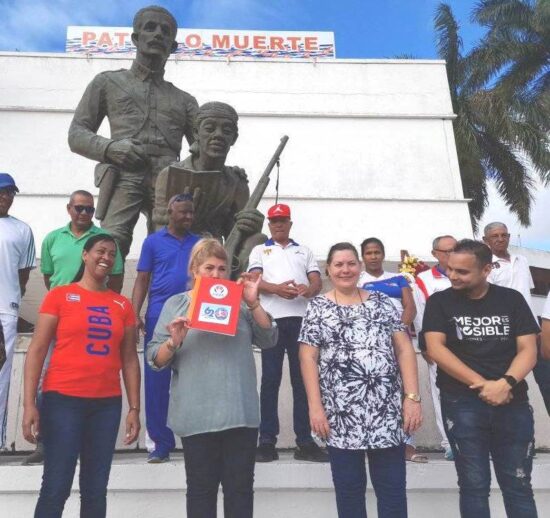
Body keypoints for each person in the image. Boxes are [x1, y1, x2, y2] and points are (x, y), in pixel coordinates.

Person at [147, 238, 277, 518]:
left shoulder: (241, 305)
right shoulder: (176, 304)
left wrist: (254, 303)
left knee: (240, 492)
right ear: (194, 269)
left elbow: (269, 339)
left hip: (240, 413)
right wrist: (173, 342)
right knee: (201, 492)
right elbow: (154, 359)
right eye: (209, 268)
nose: (216, 275)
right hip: (197, 416)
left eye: (221, 268)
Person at [299, 242, 422, 518]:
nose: (346, 269)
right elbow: (307, 358)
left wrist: (412, 397)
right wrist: (315, 407)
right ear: (329, 270)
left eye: (351, 263)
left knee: (392, 492)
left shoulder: (381, 303)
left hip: (386, 413)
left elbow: (404, 349)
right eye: (339, 264)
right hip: (340, 416)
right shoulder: (317, 307)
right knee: (349, 491)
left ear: (360, 266)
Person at [22, 234, 141, 518]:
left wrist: (134, 408)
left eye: (112, 254)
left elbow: (129, 360)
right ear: (85, 255)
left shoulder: (122, 305)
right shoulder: (59, 296)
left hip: (106, 406)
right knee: (56, 486)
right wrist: (29, 404)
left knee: (95, 489)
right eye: (100, 251)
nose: (107, 258)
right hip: (63, 401)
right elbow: (37, 351)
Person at [68, 5, 199, 259]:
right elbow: (76, 134)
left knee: (171, 246)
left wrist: (228, 174)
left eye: (165, 31)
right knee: (109, 245)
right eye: (150, 27)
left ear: (172, 46)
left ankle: (165, 301)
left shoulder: (185, 100)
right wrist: (110, 148)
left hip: (169, 180)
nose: (158, 34)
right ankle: (103, 300)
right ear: (136, 38)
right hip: (124, 173)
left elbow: (201, 150)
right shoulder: (107, 82)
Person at [424, 239, 539, 518]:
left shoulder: (511, 300)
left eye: (462, 272)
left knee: (518, 483)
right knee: (474, 485)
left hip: (512, 401)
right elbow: (436, 349)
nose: (452, 276)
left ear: (486, 270)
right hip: (462, 402)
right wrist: (485, 384)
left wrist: (505, 383)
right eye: (450, 269)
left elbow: (528, 350)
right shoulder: (440, 302)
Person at [23, 189, 124, 466]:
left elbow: (114, 278)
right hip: (57, 315)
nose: (84, 213)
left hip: (92, 320)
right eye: (79, 208)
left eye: (89, 209)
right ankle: (45, 442)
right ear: (69, 208)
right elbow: (48, 277)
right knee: (47, 377)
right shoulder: (53, 239)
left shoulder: (103, 242)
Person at [247, 203, 326, 463]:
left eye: (283, 220)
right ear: (269, 225)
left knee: (302, 381)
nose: (278, 225)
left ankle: (305, 440)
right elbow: (255, 282)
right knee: (269, 380)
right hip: (271, 322)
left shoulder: (304, 251)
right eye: (274, 221)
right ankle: (267, 440)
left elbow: (316, 281)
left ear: (290, 223)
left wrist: (308, 289)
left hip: (301, 321)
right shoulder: (260, 249)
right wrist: (277, 288)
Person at [154, 101, 265, 271]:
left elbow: (235, 235)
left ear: (234, 138)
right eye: (209, 128)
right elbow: (160, 232)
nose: (218, 135)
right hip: (179, 253)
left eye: (226, 131)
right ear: (196, 132)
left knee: (258, 239)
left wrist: (250, 225)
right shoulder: (171, 175)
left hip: (217, 257)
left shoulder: (237, 182)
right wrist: (189, 222)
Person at [132, 192, 200, 463]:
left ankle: (195, 440)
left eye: (191, 212)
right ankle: (161, 443)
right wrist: (134, 313)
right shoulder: (152, 242)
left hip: (193, 318)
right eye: (183, 211)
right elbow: (141, 279)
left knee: (194, 380)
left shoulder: (200, 243)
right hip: (159, 317)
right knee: (157, 382)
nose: (188, 216)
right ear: (170, 213)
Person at [358, 237, 422, 462]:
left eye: (377, 252)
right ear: (363, 256)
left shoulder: (398, 279)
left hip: (399, 340)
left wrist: (398, 332)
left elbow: (410, 307)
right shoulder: (358, 280)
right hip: (372, 343)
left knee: (406, 389)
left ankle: (407, 443)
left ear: (383, 254)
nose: (373, 256)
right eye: (369, 253)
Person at [483, 221, 550, 415]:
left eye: (504, 235)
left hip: (532, 329)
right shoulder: (486, 266)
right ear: (485, 240)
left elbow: (526, 293)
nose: (500, 239)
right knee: (508, 385)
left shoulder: (521, 260)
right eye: (495, 236)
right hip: (504, 331)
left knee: (546, 382)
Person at [412, 234, 457, 461]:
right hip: (440, 347)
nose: (451, 255)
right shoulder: (424, 279)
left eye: (455, 249)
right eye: (446, 251)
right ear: (435, 255)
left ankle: (475, 441)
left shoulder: (470, 274)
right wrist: (427, 345)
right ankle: (449, 442)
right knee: (441, 393)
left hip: (471, 347)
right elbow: (420, 315)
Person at [0, 172, 36, 451]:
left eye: (11, 192)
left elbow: (23, 277)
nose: (6, 197)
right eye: (2, 191)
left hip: (5, 310)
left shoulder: (22, 230)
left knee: (1, 375)